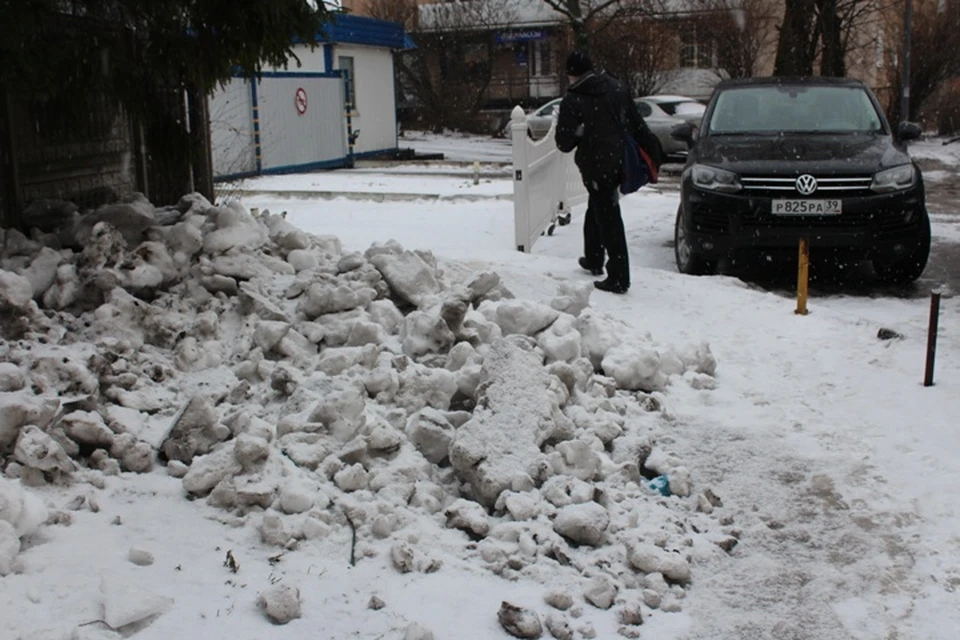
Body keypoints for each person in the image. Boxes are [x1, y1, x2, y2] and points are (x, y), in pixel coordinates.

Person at [555, 50, 650, 294]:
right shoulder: (616, 88)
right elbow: (635, 122)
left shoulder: (574, 99)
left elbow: (563, 143)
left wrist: (580, 131)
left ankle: (619, 276)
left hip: (595, 164)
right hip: (617, 158)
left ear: (572, 74)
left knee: (608, 216)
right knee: (598, 205)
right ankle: (594, 257)